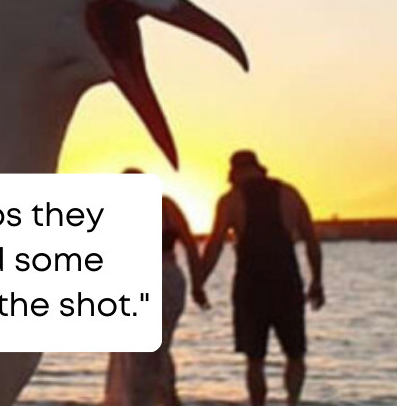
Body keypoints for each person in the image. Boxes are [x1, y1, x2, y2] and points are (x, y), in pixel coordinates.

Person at [201, 151, 324, 406]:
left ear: (234, 172)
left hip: (251, 286)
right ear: (259, 168)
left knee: (255, 358)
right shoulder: (289, 194)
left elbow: (214, 246)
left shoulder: (231, 200)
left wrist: (198, 281)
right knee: (295, 353)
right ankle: (293, 401)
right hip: (287, 282)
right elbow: (311, 240)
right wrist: (316, 281)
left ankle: (258, 404)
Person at [105, 168, 209, 406]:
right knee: (156, 349)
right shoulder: (165, 206)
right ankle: (164, 398)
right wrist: (197, 286)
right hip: (168, 280)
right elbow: (192, 248)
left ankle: (142, 400)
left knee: (137, 354)